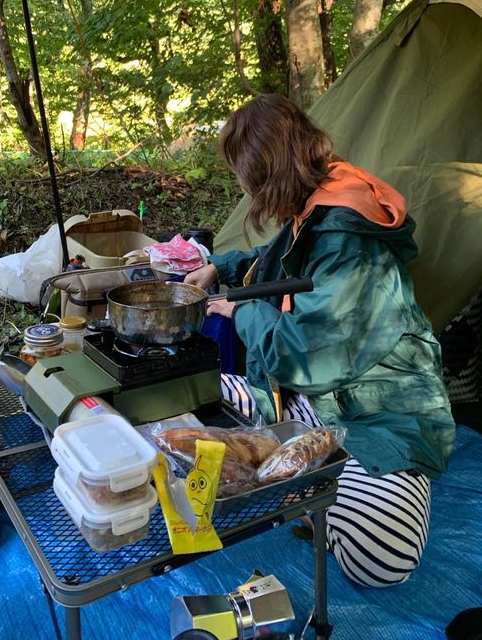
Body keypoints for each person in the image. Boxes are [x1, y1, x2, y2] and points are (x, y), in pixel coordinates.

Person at [185, 93, 455, 588]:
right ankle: (310, 476)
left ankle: (322, 483)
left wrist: (242, 313)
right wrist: (215, 269)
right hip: (313, 403)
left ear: (265, 169)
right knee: (198, 399)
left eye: (244, 175)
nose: (244, 188)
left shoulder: (347, 235)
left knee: (381, 561)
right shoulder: (318, 204)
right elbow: (277, 255)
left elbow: (313, 354)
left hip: (378, 410)